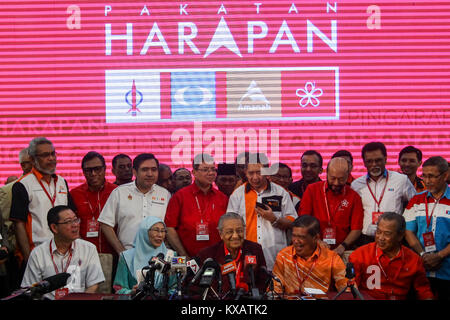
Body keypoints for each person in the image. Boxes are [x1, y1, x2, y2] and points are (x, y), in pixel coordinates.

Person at [10, 137, 76, 267]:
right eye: (45, 155)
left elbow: (72, 217)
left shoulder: (62, 182)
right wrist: (29, 258)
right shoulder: (23, 185)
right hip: (38, 253)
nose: (51, 158)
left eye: (53, 154)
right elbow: (19, 224)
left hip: (66, 251)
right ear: (33, 159)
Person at [227, 153, 297, 270]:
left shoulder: (280, 193)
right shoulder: (237, 195)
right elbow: (229, 226)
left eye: (259, 172)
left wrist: (274, 219)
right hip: (246, 256)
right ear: (245, 172)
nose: (255, 177)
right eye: (251, 173)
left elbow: (294, 223)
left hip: (275, 257)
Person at [21, 205, 104, 300]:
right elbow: (30, 290)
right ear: (54, 228)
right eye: (68, 221)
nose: (75, 225)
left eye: (76, 220)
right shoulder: (38, 254)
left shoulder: (89, 249)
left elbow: (93, 285)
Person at [349, 212, 434, 300]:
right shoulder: (360, 254)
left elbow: (423, 290)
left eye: (387, 234)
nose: (381, 238)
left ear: (400, 236)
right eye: (378, 232)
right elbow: (352, 290)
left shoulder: (413, 260)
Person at [98, 153, 170, 254]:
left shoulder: (165, 194)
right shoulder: (120, 192)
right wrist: (121, 251)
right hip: (128, 254)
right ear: (134, 172)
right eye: (144, 170)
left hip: (158, 256)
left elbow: (170, 227)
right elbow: (105, 223)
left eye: (154, 169)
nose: (150, 174)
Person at [165, 154, 228, 259]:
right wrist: (184, 255)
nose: (211, 173)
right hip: (188, 257)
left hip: (218, 258)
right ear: (194, 172)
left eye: (213, 169)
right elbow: (169, 227)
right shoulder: (180, 196)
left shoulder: (222, 198)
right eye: (205, 170)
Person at [351, 142, 416, 245]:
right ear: (364, 163)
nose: (374, 164)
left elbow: (415, 205)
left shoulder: (401, 180)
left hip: (393, 239)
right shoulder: (356, 185)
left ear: (385, 159)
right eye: (369, 161)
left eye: (378, 160)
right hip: (365, 240)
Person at [299, 157, 363, 260]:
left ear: (348, 176)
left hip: (341, 251)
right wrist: (317, 241)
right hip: (314, 248)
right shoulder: (312, 190)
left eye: (341, 179)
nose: (336, 183)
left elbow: (356, 228)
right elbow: (303, 221)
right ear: (326, 173)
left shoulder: (354, 196)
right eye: (333, 178)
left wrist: (343, 246)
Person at [404, 156, 450, 300]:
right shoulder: (416, 200)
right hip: (420, 269)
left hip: (447, 270)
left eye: (432, 176)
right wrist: (423, 255)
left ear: (445, 175)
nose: (427, 181)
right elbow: (408, 231)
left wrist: (439, 256)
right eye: (424, 176)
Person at [196, 212, 267, 296]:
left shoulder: (255, 249)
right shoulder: (207, 254)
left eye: (239, 231)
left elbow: (263, 282)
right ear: (221, 234)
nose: (235, 236)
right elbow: (196, 289)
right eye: (229, 232)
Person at [272, 215, 347, 296]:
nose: (295, 241)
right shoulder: (284, 255)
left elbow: (347, 289)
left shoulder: (331, 258)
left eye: (301, 237)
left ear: (316, 238)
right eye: (294, 236)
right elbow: (275, 289)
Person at [113, 216, 175, 295]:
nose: (160, 235)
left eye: (163, 231)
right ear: (144, 231)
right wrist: (131, 292)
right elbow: (119, 288)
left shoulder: (171, 255)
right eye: (156, 230)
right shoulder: (126, 257)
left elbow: (174, 287)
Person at [70, 151, 117, 254]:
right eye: (88, 170)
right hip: (83, 253)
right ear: (83, 171)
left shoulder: (116, 192)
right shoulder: (74, 194)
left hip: (113, 252)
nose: (93, 174)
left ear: (105, 169)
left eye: (97, 169)